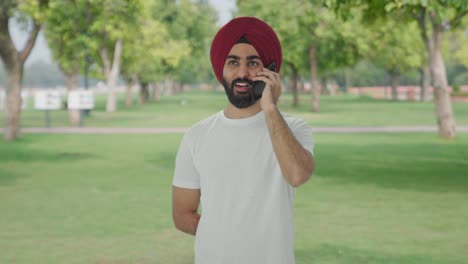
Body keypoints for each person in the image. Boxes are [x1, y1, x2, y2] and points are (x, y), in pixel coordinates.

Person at [172, 16, 315, 264]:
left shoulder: (295, 129)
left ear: (269, 69)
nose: (242, 73)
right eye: (233, 62)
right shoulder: (197, 135)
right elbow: (183, 215)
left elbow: (297, 175)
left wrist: (270, 109)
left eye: (253, 63)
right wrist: (226, 238)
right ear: (222, 68)